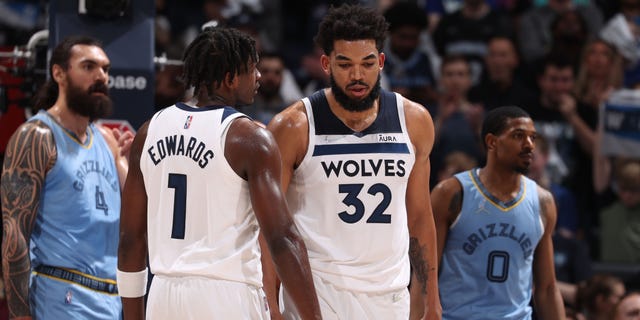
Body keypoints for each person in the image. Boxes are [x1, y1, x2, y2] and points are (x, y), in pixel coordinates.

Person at [116, 27, 321, 320]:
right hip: (226, 296)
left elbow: (130, 240)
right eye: (253, 69)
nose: (259, 77)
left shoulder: (149, 131)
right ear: (230, 78)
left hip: (163, 294)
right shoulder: (248, 137)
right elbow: (282, 238)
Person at [266, 4, 441, 319]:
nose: (357, 75)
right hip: (316, 297)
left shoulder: (414, 121)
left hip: (390, 296)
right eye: (344, 64)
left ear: (381, 63)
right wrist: (269, 306)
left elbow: (419, 219)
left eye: (367, 63)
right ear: (326, 63)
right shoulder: (293, 127)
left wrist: (430, 301)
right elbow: (271, 228)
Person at [1, 35, 133, 319]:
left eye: (106, 69)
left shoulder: (108, 142)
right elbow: (15, 234)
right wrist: (20, 314)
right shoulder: (37, 137)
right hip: (61, 295)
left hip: (111, 299)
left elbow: (139, 218)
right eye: (88, 67)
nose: (101, 76)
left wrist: (135, 167)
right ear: (59, 73)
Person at [432, 106, 565, 319]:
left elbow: (547, 287)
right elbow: (425, 277)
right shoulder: (451, 193)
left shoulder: (543, 202)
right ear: (492, 142)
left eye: (532, 137)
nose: (529, 145)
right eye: (518, 136)